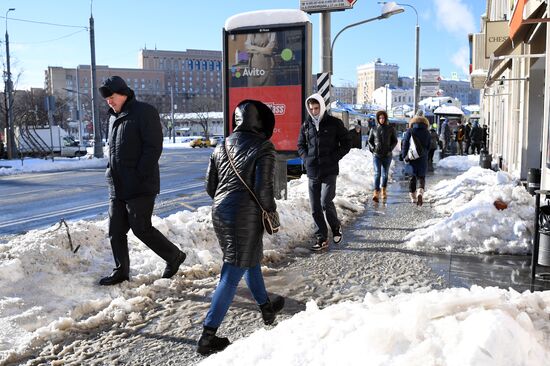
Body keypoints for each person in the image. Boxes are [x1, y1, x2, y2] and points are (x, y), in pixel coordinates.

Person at [198, 100, 284, 355]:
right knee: (232, 271)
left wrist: (228, 200)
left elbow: (209, 187)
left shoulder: (221, 145)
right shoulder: (263, 146)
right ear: (261, 121)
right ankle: (207, 336)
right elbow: (263, 190)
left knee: (250, 259)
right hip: (245, 214)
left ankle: (266, 307)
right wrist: (271, 212)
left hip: (221, 211)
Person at [98, 76, 186, 286]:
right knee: (115, 230)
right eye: (107, 98)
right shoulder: (112, 118)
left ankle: (174, 256)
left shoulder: (144, 112)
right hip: (117, 185)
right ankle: (121, 271)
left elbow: (153, 147)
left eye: (112, 97)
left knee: (141, 228)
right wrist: (110, 170)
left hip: (140, 185)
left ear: (124, 93)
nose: (109, 101)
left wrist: (139, 174)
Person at [298, 93, 351, 251]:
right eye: (311, 108)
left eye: (316, 108)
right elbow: (300, 145)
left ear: (322, 107)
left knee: (325, 201)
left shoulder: (334, 123)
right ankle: (321, 237)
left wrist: (335, 157)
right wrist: (306, 158)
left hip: (329, 170)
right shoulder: (306, 125)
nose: (314, 111)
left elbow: (346, 142)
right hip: (313, 170)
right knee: (315, 207)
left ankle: (335, 227)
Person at [401, 110, 431, 206]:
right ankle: (420, 193)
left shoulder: (410, 131)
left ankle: (413, 197)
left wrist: (404, 156)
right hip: (422, 158)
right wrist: (425, 154)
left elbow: (405, 143)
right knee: (421, 177)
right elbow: (429, 146)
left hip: (411, 157)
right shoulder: (427, 132)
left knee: (412, 177)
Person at [368, 110, 397, 202]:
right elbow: (369, 141)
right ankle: (376, 191)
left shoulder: (390, 129)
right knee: (377, 173)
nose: (382, 119)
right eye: (380, 118)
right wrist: (373, 148)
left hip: (387, 155)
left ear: (386, 118)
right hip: (377, 155)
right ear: (377, 119)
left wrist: (390, 149)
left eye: (383, 118)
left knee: (385, 174)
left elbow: (395, 140)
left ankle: (384, 190)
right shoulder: (374, 129)